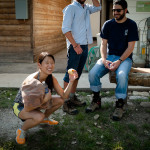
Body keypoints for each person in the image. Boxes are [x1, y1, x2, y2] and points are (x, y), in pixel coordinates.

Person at [86, 0, 139, 120]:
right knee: (93, 73)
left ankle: (120, 105)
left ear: (125, 10)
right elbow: (103, 45)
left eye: (118, 10)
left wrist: (119, 61)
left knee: (121, 75)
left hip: (124, 59)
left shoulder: (131, 25)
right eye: (114, 10)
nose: (115, 12)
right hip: (109, 56)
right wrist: (104, 59)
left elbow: (131, 47)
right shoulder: (108, 24)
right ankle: (96, 100)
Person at [13, 52, 78, 144]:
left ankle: (44, 120)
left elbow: (64, 96)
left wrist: (71, 81)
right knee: (39, 116)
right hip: (20, 106)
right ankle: (22, 130)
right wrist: (45, 100)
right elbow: (28, 107)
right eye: (47, 63)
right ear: (39, 65)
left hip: (35, 103)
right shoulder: (31, 81)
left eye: (52, 63)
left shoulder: (50, 77)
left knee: (60, 100)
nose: (50, 66)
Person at [62, 0, 101, 115]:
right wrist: (75, 45)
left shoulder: (86, 8)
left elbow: (98, 7)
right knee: (70, 75)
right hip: (75, 46)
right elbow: (65, 29)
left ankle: (72, 97)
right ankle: (66, 102)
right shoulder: (71, 8)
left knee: (76, 74)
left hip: (84, 45)